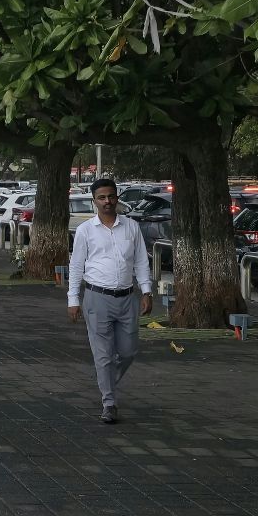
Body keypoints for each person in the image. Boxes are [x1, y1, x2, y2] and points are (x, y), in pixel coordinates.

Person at [67, 177, 152, 424]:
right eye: (102, 198)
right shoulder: (85, 231)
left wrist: (146, 291)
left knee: (128, 351)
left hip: (127, 298)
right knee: (102, 355)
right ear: (94, 201)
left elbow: (140, 262)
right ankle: (109, 402)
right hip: (97, 298)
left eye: (111, 196)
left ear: (117, 198)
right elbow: (76, 266)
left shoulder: (131, 227)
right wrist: (73, 298)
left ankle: (106, 382)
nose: (107, 201)